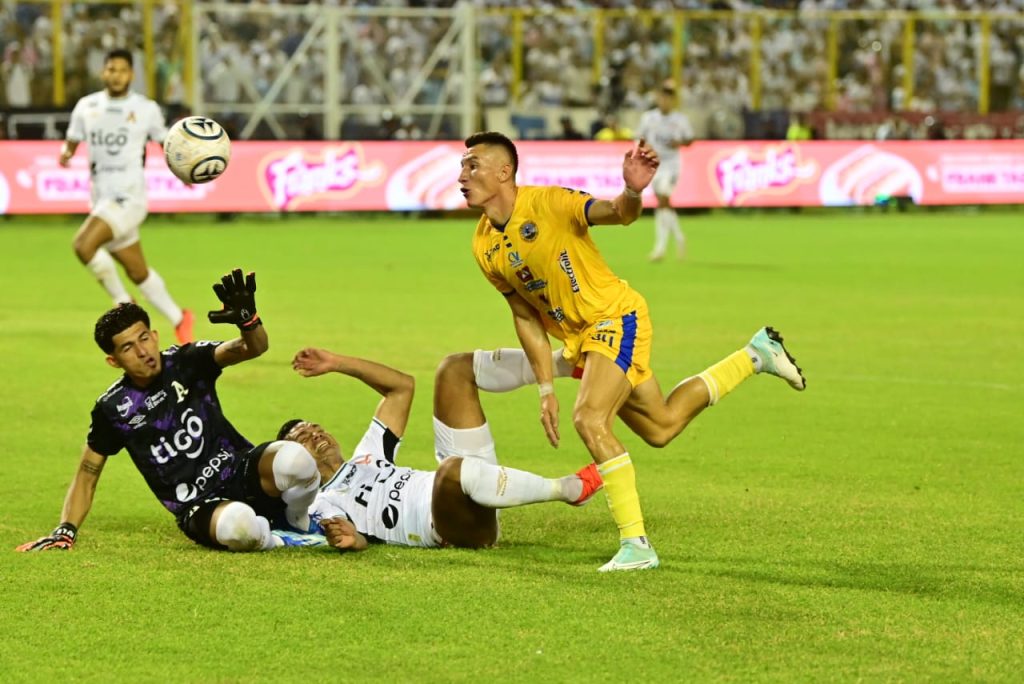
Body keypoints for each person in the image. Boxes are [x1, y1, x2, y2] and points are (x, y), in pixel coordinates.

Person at [458, 131, 807, 572]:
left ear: (504, 172)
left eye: (472, 166)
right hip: (583, 341)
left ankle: (636, 545)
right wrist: (545, 387)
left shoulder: (548, 203)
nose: (462, 176)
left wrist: (632, 190)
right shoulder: (483, 244)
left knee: (589, 418)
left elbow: (617, 213)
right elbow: (525, 317)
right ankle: (756, 355)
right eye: (462, 167)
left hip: (615, 318)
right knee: (661, 427)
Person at [16, 269, 321, 553]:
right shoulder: (113, 409)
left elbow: (253, 348)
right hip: (199, 505)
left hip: (240, 470)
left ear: (155, 335)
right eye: (127, 348)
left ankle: (299, 520)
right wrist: (65, 530)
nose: (142, 352)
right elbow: (87, 473)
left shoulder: (187, 361)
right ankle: (280, 540)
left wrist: (248, 321)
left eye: (144, 338)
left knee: (295, 459)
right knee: (240, 527)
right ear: (114, 361)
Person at [272, 348, 604, 551]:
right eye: (302, 438)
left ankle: (567, 363)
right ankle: (568, 489)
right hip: (451, 525)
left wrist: (336, 362)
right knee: (451, 470)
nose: (315, 434)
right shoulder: (321, 502)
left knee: (454, 369)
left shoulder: (367, 456)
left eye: (315, 427)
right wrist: (351, 540)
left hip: (467, 483)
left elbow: (402, 387)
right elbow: (348, 538)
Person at [60, 48, 194, 344]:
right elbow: (72, 139)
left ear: (131, 74)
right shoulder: (86, 106)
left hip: (129, 197)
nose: (116, 75)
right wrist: (66, 153)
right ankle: (180, 318)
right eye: (111, 69)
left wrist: (184, 170)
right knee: (137, 271)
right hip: (101, 197)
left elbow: (166, 143)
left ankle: (123, 302)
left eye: (121, 70)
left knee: (83, 245)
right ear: (103, 72)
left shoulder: (146, 109)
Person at [636, 79, 694, 261]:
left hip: (672, 164)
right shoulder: (649, 118)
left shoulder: (680, 119)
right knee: (661, 202)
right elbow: (639, 137)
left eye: (669, 98)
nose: (665, 101)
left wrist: (680, 142)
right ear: (658, 98)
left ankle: (660, 248)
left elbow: (690, 139)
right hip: (654, 164)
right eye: (663, 97)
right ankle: (678, 237)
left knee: (662, 199)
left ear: (672, 100)